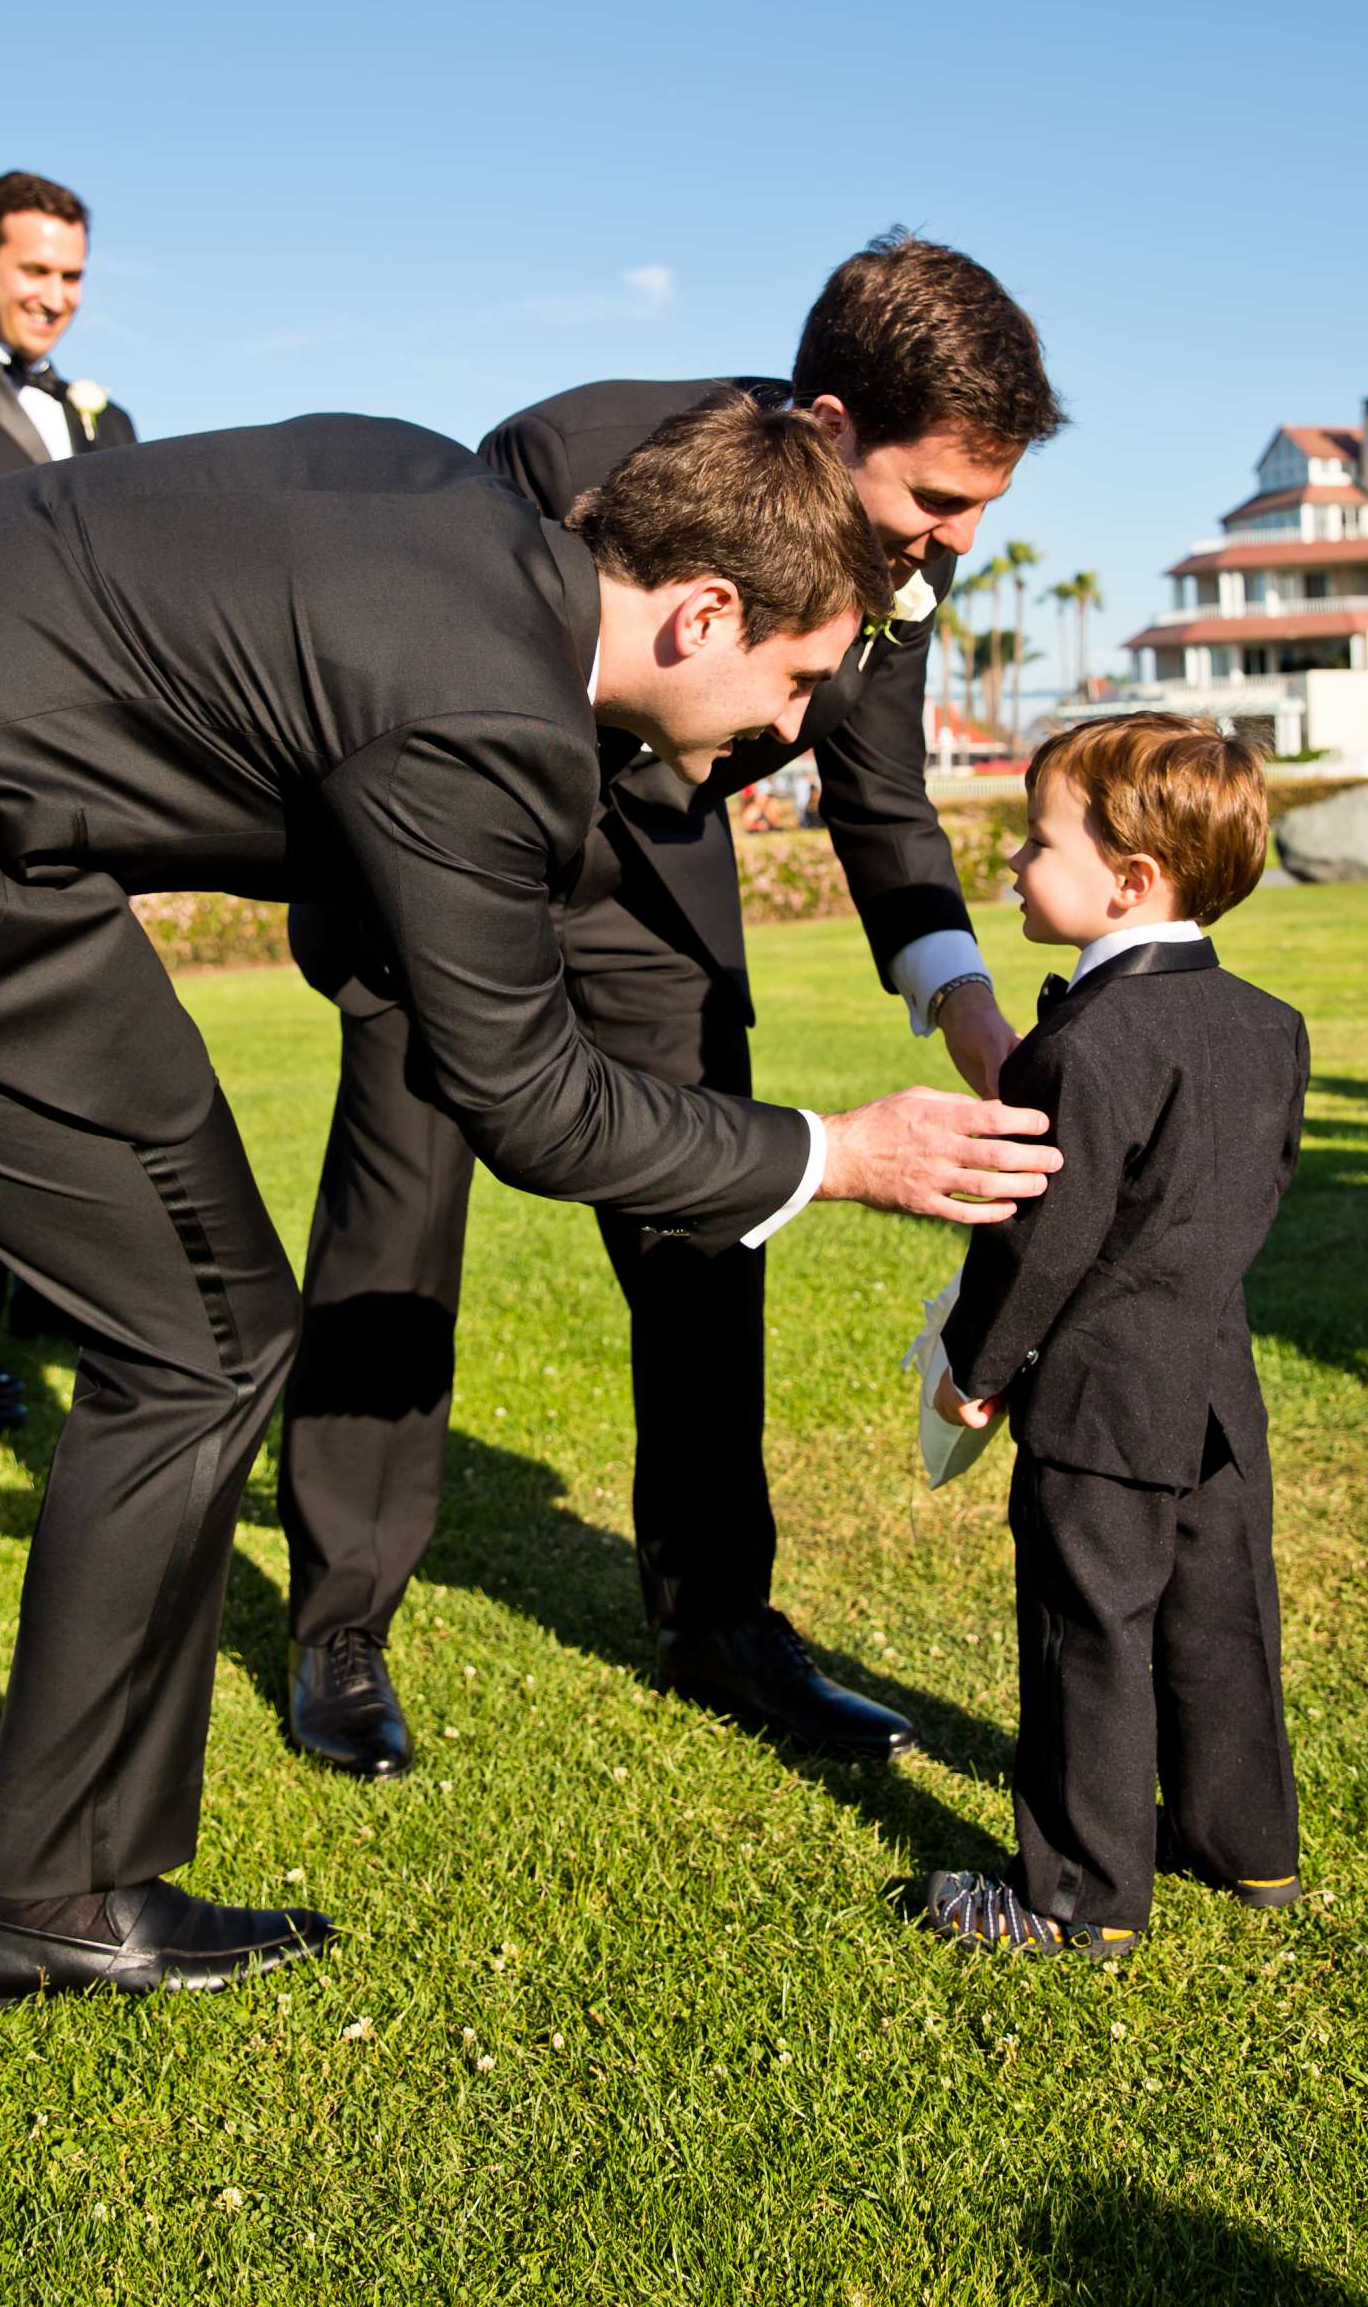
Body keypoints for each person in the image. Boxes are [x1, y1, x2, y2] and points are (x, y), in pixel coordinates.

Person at [0, 390, 1051, 2000]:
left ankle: (59, 1878)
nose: (789, 731)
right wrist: (836, 1151)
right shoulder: (487, 717)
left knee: (219, 1333)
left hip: (3, 839)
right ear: (705, 610)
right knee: (196, 1346)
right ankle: (44, 1896)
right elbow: (525, 1098)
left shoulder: (432, 492)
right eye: (800, 679)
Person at [280, 233, 1067, 1783]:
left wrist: (966, 1002)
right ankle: (340, 1624)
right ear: (832, 429)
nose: (957, 541)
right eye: (937, 503)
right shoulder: (564, 455)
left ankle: (721, 1615)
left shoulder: (919, 550)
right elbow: (422, 690)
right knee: (398, 1217)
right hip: (455, 858)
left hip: (663, 884)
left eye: (983, 509)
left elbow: (882, 791)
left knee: (717, 1220)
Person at [921, 713, 1308, 1963]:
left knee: (1089, 1630)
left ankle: (1076, 1897)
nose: (1015, 869)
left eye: (1036, 844)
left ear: (1130, 880)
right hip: (1210, 1387)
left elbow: (1039, 1242)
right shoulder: (1269, 1025)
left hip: (1095, 1400)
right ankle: (1246, 1845)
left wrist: (975, 1371)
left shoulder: (1083, 1046)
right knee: (1220, 1612)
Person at [0, 170, 137, 1441]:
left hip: (92, 797)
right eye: (32, 272)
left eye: (71, 277)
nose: (53, 299)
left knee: (87, 1059)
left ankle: (56, 1303)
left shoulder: (111, 428)